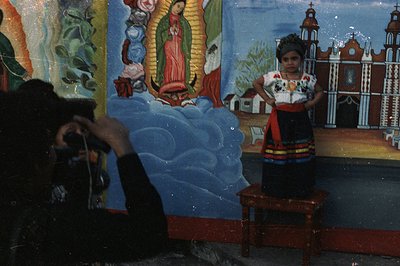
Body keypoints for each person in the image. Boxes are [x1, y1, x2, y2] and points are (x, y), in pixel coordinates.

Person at [0, 80, 168, 265]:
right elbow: (149, 235)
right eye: (48, 151)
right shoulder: (49, 228)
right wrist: (122, 145)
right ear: (35, 162)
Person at [252, 33, 324, 198]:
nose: (290, 62)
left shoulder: (307, 79)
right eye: (286, 59)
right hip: (280, 121)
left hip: (300, 121)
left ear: (301, 59)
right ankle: (275, 189)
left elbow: (320, 91)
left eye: (294, 58)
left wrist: (309, 105)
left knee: (299, 153)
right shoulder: (274, 77)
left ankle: (299, 190)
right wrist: (268, 99)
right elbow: (256, 83)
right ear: (281, 61)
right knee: (280, 153)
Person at [154, 0, 194, 106]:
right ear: (172, 5)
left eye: (181, 8)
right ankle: (168, 90)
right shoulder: (164, 21)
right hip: (169, 47)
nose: (178, 9)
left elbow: (188, 36)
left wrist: (179, 32)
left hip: (180, 49)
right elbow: (159, 35)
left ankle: (180, 91)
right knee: (170, 65)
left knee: (180, 66)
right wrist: (169, 31)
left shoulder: (184, 22)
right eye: (178, 6)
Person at [0, 9, 30, 92]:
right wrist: (23, 73)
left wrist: (22, 72)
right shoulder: (2, 39)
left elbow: (8, 59)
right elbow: (9, 60)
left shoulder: (2, 39)